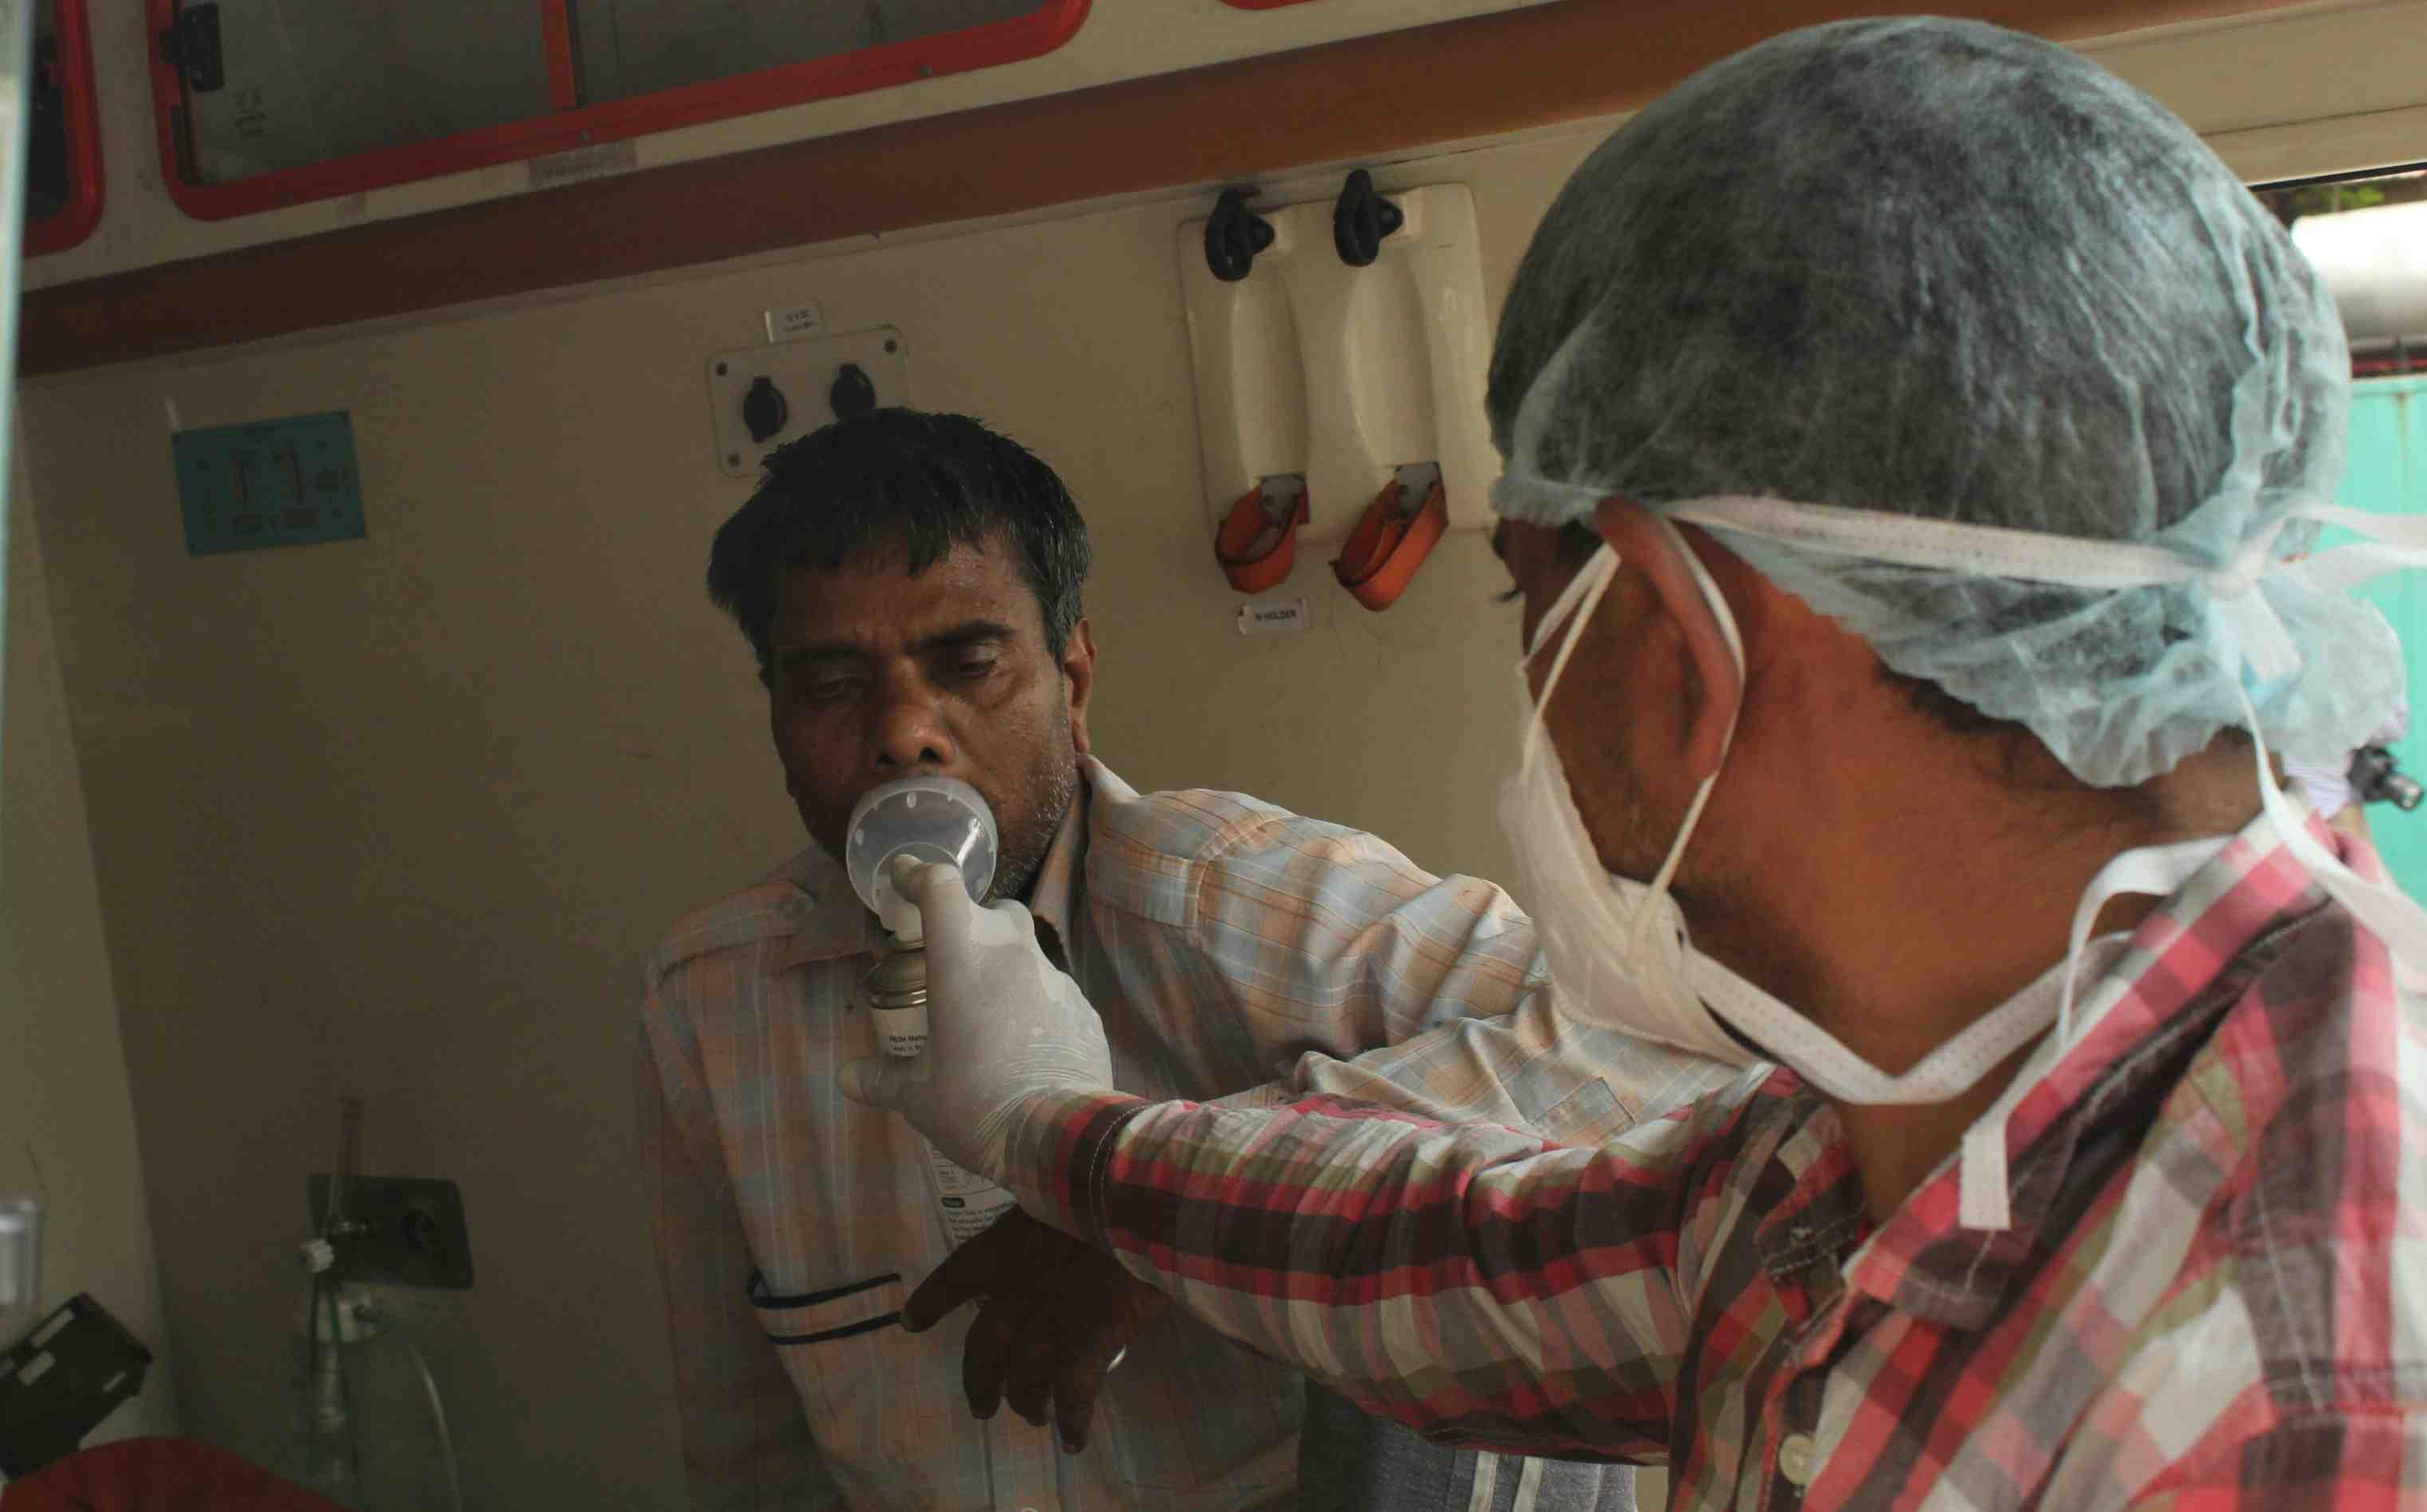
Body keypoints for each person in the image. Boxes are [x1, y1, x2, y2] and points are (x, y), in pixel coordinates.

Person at [845, 19, 2427, 1509]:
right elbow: (1453, 1264)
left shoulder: (2314, 1397)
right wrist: (1042, 1122)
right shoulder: (1902, 1110)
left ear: (1678, 638)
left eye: (1526, 601)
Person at [639, 409, 1733, 1512]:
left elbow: (1667, 1056)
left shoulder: (1239, 897)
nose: (903, 734)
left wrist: (1162, 1213)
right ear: (777, 719)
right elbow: (749, 1450)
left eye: (968, 664)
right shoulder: (715, 1003)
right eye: (832, 686)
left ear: (1073, 682)